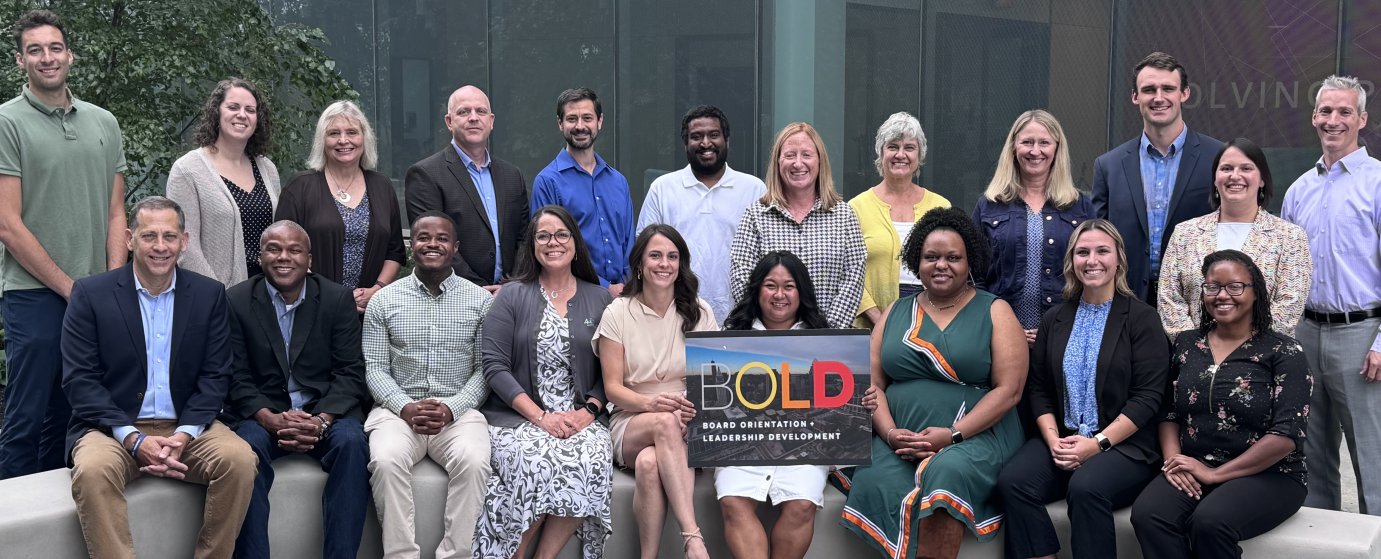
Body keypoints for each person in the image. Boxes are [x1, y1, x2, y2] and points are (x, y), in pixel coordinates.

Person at [61, 196, 256, 559]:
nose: (161, 247)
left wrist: (184, 434)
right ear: (130, 239)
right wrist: (133, 439)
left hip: (187, 427)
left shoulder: (208, 294)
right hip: (112, 429)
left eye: (170, 236)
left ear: (185, 241)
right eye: (150, 236)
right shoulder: (90, 295)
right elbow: (80, 381)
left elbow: (216, 375)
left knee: (240, 460)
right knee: (92, 471)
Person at [839, 207, 1027, 559]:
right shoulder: (894, 311)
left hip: (975, 436)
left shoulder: (995, 310)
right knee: (879, 479)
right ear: (917, 261)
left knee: (947, 473)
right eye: (931, 257)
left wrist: (951, 435)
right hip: (897, 438)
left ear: (970, 261)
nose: (941, 265)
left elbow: (1009, 390)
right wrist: (891, 433)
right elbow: (872, 385)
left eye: (953, 258)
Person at [0, 9, 128, 478]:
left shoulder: (104, 122)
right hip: (33, 295)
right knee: (26, 419)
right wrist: (73, 289)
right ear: (20, 60)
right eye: (35, 50)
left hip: (96, 295)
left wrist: (113, 284)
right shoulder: (6, 123)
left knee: (74, 416)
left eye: (55, 48)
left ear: (70, 55)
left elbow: (117, 212)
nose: (47, 58)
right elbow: (8, 224)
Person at [995, 219, 1170, 559]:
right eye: (1083, 252)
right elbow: (1039, 388)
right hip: (1063, 437)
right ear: (1071, 260)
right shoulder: (1054, 318)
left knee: (1087, 487)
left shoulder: (1142, 318)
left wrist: (1096, 444)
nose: (1093, 260)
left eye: (1102, 251)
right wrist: (1053, 441)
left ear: (1118, 259)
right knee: (1013, 482)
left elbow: (1148, 398)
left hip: (1124, 446)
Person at [1131, 250, 1312, 558]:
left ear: (1256, 292)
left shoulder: (1283, 351)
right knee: (1149, 515)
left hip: (1270, 474)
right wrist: (1175, 462)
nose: (1222, 295)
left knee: (1210, 523)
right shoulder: (1186, 344)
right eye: (1212, 287)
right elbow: (1169, 411)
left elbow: (1286, 436)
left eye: (1235, 287)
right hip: (1195, 463)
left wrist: (1215, 475)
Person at [223, 220, 371, 559]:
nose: (283, 257)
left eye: (294, 249)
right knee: (245, 451)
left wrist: (321, 420)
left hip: (324, 411)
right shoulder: (237, 300)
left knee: (352, 443)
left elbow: (351, 371)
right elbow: (235, 376)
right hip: (264, 414)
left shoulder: (335, 299)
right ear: (260, 258)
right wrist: (269, 419)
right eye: (273, 249)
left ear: (310, 260)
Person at [474, 205, 615, 559]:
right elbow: (494, 366)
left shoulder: (600, 299)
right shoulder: (512, 295)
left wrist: (588, 413)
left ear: (575, 242)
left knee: (591, 458)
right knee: (538, 460)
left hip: (580, 417)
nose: (553, 242)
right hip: (520, 417)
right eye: (543, 236)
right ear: (533, 245)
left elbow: (612, 371)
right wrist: (541, 417)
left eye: (561, 234)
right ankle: (514, 554)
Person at [363, 211, 493, 558]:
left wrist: (452, 408)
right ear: (411, 247)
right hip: (398, 411)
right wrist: (404, 406)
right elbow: (375, 368)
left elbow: (485, 371)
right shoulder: (384, 300)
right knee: (386, 460)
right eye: (423, 238)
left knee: (476, 461)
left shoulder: (480, 300)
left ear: (455, 248)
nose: (432, 244)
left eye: (441, 238)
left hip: (457, 413)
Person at [1280, 74, 1381, 514]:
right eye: (1325, 111)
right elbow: (1285, 272)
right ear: (1314, 117)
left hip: (1362, 335)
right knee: (1311, 453)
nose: (1333, 120)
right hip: (1305, 331)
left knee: (1373, 458)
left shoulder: (1377, 183)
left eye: (1344, 111)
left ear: (1362, 119)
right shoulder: (1299, 190)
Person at [594, 224, 718, 559]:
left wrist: (691, 408)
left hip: (686, 419)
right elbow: (613, 389)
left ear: (681, 264)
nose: (664, 264)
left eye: (672, 257)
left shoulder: (699, 310)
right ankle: (693, 538)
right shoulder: (618, 312)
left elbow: (712, 377)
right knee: (663, 423)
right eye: (655, 255)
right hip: (632, 417)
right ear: (639, 264)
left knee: (650, 464)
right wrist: (651, 403)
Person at [1093, 52, 1223, 303]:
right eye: (1149, 89)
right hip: (1127, 302)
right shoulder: (1108, 166)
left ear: (1184, 94)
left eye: (1168, 88)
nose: (1159, 97)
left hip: (1197, 304)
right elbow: (1099, 238)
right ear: (1135, 96)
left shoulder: (1217, 158)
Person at [1158, 137, 1311, 337]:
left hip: (1262, 360)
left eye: (1246, 169)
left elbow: (1289, 305)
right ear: (1215, 178)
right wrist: (1196, 347)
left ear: (1262, 179)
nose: (1235, 176)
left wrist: (1240, 348)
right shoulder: (1185, 234)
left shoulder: (1290, 237)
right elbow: (1169, 298)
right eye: (1226, 168)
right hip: (1196, 359)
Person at [637, 105, 766, 324]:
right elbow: (643, 252)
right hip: (674, 315)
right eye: (696, 136)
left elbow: (766, 258)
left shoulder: (754, 189)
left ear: (727, 139)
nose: (706, 143)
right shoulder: (663, 189)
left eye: (714, 135)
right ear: (686, 143)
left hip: (741, 318)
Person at [730, 122, 866, 329]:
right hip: (769, 343)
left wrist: (825, 332)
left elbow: (854, 278)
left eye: (806, 155)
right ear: (778, 161)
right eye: (790, 155)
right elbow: (742, 278)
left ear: (820, 161)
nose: (798, 163)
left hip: (829, 340)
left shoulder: (844, 215)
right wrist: (773, 329)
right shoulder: (756, 215)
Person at [973, 110, 1094, 343]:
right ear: (1013, 147)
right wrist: (1000, 325)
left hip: (1063, 337)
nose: (1035, 151)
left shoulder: (1080, 207)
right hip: (1000, 336)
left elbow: (1092, 275)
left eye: (1044, 143)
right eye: (1027, 142)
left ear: (1057, 148)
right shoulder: (989, 206)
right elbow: (974, 276)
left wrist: (1063, 327)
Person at [276, 100, 404, 313]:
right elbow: (284, 252)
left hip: (370, 310)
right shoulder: (300, 187)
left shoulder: (382, 186)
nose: (343, 140)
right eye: (334, 133)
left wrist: (377, 290)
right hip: (313, 309)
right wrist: (334, 298)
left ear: (364, 138)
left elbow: (395, 251)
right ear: (322, 140)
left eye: (352, 132)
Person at [405, 85, 529, 292]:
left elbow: (524, 237)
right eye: (464, 112)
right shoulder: (425, 174)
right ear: (449, 122)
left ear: (491, 121)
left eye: (480, 111)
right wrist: (477, 289)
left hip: (508, 295)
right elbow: (433, 243)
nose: (473, 118)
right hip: (453, 296)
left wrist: (510, 285)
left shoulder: (512, 176)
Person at [166, 77, 282, 287]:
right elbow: (185, 247)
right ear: (217, 112)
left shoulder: (268, 169)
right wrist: (216, 295)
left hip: (268, 296)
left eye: (250, 110)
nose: (242, 115)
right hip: (216, 298)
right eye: (233, 107)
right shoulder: (187, 170)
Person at [850, 112, 951, 330]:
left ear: (920, 154)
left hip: (932, 320)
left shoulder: (941, 207)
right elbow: (847, 273)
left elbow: (953, 267)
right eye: (893, 146)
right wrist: (879, 319)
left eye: (909, 147)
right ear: (881, 152)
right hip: (872, 322)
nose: (900, 154)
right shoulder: (856, 208)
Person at [532, 87, 633, 294]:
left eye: (587, 118)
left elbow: (628, 241)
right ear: (560, 124)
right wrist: (605, 287)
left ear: (600, 122)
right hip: (575, 295)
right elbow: (550, 249)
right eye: (571, 119)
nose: (580, 126)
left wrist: (627, 285)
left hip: (624, 295)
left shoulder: (618, 181)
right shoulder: (547, 182)